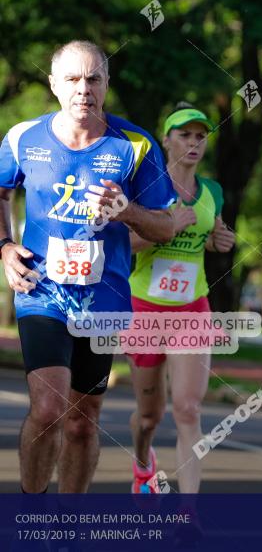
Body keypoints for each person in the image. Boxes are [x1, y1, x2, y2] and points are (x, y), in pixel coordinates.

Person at [0, 40, 175, 493]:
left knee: (82, 421)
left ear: (106, 86)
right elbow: (0, 192)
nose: (84, 89)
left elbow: (166, 228)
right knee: (47, 408)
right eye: (73, 80)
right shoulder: (23, 138)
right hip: (42, 290)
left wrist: (128, 211)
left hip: (104, 298)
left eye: (93, 78)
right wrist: (4, 246)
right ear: (54, 85)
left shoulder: (135, 145)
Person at [127, 103, 234, 494]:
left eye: (200, 136)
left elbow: (214, 233)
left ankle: (189, 516)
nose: (193, 142)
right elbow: (124, 245)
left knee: (188, 409)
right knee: (150, 416)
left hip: (192, 308)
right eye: (184, 135)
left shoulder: (213, 192)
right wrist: (166, 228)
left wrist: (220, 241)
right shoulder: (145, 189)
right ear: (166, 140)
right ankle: (142, 461)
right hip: (144, 308)